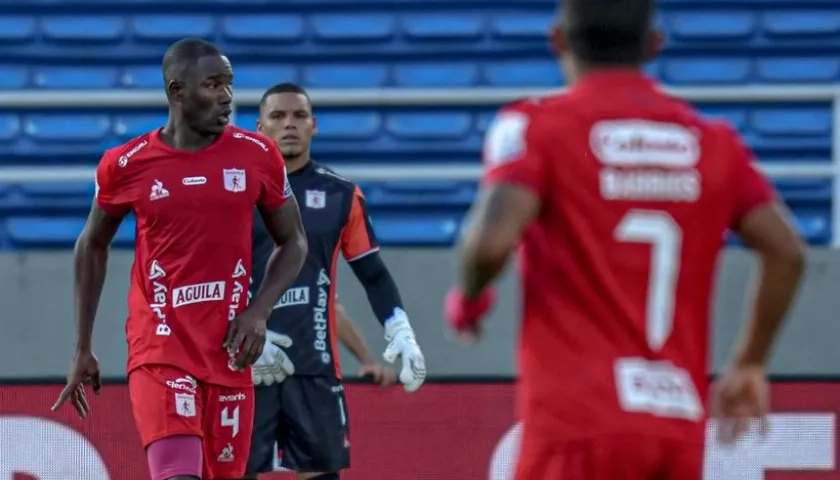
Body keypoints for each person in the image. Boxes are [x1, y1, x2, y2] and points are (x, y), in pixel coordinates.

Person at [444, 0, 807, 478]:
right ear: (654, 45)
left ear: (557, 40)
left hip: (577, 423)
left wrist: (469, 299)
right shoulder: (711, 141)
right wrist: (749, 363)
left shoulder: (539, 127)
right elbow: (787, 252)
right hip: (674, 427)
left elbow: (490, 245)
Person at [51, 38, 309, 480]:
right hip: (161, 347)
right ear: (177, 92)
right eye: (212, 85)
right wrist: (82, 347)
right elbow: (92, 244)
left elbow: (295, 242)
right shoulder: (126, 164)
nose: (227, 97)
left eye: (229, 84)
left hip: (229, 351)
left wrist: (258, 311)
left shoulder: (258, 155)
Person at [245, 83, 427, 480]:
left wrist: (399, 327)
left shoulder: (341, 194)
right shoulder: (236, 193)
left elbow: (373, 273)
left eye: (298, 116)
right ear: (259, 128)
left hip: (316, 368)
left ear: (314, 126)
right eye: (277, 116)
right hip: (243, 365)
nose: (289, 124)